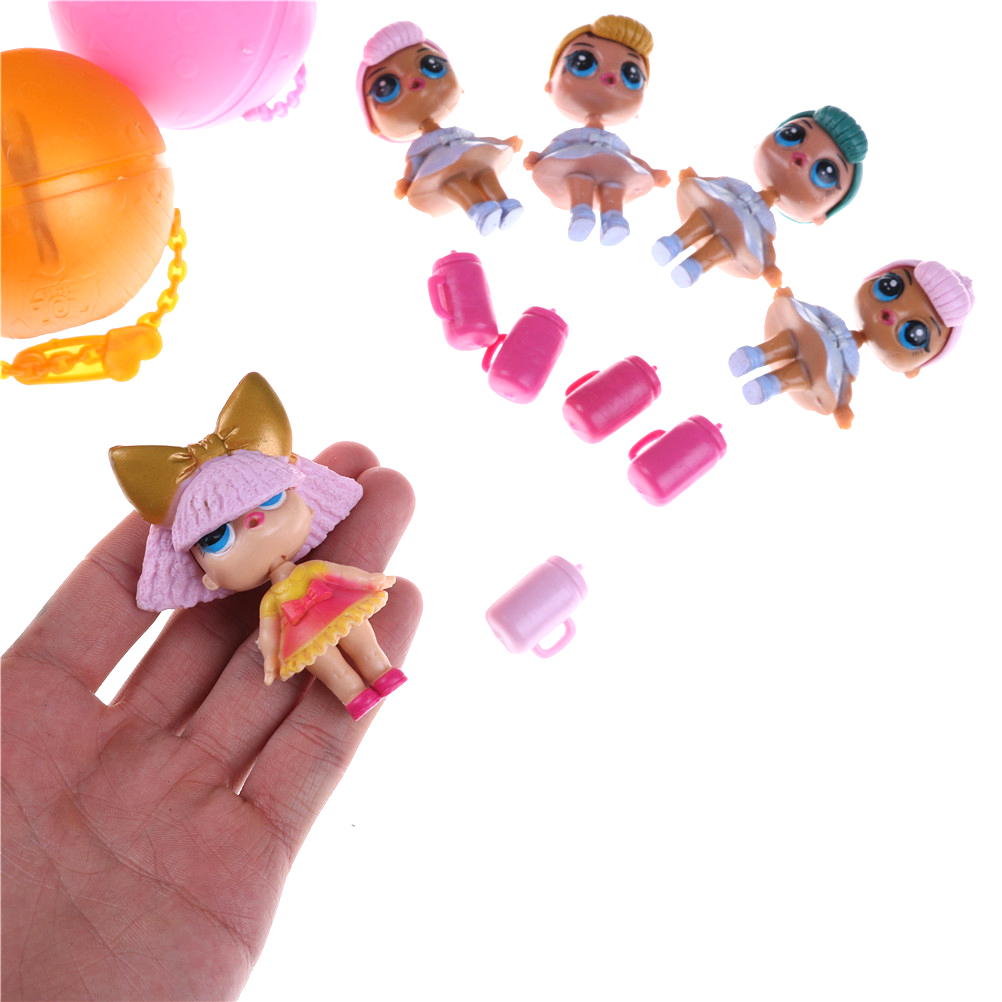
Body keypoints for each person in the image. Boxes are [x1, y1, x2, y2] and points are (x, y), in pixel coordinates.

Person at [1, 439, 421, 1001]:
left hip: (325, 594)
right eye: (218, 537)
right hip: (296, 619)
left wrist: (363, 585)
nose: (255, 524)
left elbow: (342, 577)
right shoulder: (266, 602)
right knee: (326, 659)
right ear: (204, 575)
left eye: (270, 502)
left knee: (360, 632)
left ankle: (380, 672)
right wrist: (271, 656)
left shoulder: (314, 567)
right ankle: (356, 691)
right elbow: (270, 631)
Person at [727, 260, 975, 428]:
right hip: (805, 330)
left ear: (913, 369)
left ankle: (768, 385)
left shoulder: (848, 364)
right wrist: (792, 302)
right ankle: (754, 356)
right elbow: (816, 313)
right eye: (890, 286)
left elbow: (844, 383)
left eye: (914, 334)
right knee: (787, 340)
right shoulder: (832, 323)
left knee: (802, 375)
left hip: (821, 369)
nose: (890, 315)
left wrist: (842, 407)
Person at [651, 106, 867, 288]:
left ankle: (695, 267)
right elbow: (722, 182)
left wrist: (770, 266)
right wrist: (696, 178)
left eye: (826, 172)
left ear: (820, 216)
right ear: (760, 142)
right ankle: (674, 242)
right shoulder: (740, 189)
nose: (801, 158)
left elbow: (766, 245)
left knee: (723, 247)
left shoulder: (767, 224)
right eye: (792, 134)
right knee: (702, 218)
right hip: (717, 205)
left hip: (739, 238)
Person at [358, 20, 523, 235]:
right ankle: (477, 211)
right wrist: (407, 182)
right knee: (454, 183)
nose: (414, 81)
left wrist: (503, 143)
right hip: (438, 169)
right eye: (386, 87)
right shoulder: (419, 148)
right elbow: (414, 164)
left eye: (431, 65)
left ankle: (504, 203)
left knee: (485, 173)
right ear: (375, 125)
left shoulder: (454, 132)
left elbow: (475, 140)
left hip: (470, 155)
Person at [523, 14, 670, 245]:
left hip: (615, 168)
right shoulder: (573, 138)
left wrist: (651, 172)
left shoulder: (615, 143)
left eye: (631, 75)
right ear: (550, 85)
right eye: (583, 62)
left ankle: (614, 220)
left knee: (614, 187)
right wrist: (539, 157)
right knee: (579, 179)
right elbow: (558, 146)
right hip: (574, 162)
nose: (610, 77)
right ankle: (580, 213)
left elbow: (631, 158)